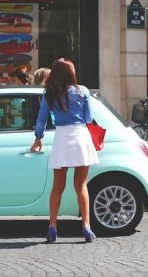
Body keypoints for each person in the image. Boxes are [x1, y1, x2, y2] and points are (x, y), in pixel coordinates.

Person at [31, 58, 99, 243]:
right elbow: (88, 118)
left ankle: (52, 226)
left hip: (61, 137)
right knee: (81, 185)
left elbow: (42, 118)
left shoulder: (51, 93)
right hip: (80, 136)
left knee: (57, 187)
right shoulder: (83, 91)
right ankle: (86, 225)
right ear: (71, 73)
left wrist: (38, 137)